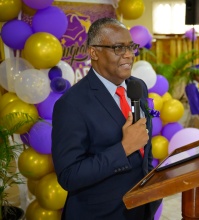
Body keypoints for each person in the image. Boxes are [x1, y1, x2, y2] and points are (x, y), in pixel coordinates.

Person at [51, 18, 161, 220]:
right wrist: (124, 148)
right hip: (100, 213)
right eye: (118, 48)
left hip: (142, 207)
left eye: (131, 47)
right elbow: (69, 176)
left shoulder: (138, 87)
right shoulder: (71, 104)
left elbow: (144, 145)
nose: (129, 55)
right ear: (94, 52)